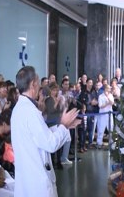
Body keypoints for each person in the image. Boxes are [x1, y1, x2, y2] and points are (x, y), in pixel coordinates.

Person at [11, 66, 80, 197]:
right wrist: (64, 126)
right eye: (38, 82)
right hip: (36, 180)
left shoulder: (19, 109)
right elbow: (50, 144)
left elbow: (37, 136)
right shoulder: (30, 111)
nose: (41, 88)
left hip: (27, 177)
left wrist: (63, 127)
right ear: (33, 84)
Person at [97, 84, 114, 149]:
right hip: (102, 115)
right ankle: (99, 143)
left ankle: (110, 143)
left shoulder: (111, 95)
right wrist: (107, 103)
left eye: (110, 88)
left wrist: (108, 98)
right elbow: (100, 106)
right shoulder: (100, 96)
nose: (109, 90)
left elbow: (112, 103)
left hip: (109, 115)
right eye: (108, 88)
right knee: (101, 129)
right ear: (105, 89)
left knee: (111, 129)